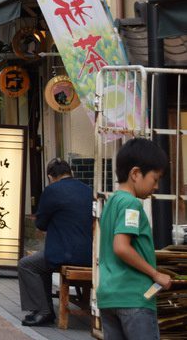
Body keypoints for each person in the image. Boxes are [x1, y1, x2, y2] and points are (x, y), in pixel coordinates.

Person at [97, 138, 171, 339]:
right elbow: (121, 247)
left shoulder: (112, 202)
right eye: (155, 179)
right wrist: (155, 274)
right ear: (136, 174)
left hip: (109, 295)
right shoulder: (131, 205)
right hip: (134, 295)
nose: (156, 186)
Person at [18, 158, 94, 327]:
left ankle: (43, 311)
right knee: (41, 263)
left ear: (51, 177)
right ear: (70, 172)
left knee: (27, 265)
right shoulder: (87, 190)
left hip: (65, 253)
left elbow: (41, 223)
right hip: (90, 253)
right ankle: (46, 310)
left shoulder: (52, 191)